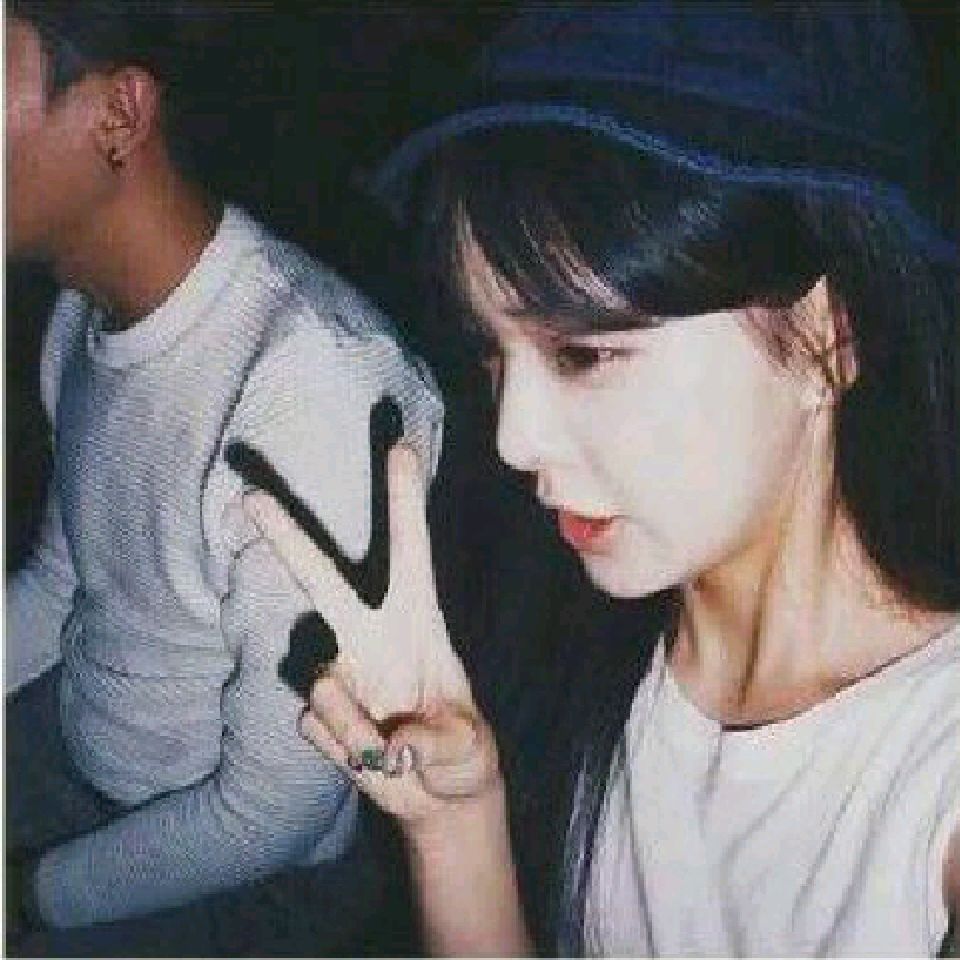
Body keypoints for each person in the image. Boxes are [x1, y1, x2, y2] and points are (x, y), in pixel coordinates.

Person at [240, 2, 959, 955]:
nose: (514, 438)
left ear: (825, 336)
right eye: (493, 354)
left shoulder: (932, 773)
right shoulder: (585, 648)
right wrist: (454, 822)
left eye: (584, 354)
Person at [4, 0, 442, 953]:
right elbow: (63, 585)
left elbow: (272, 809)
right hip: (80, 736)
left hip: (240, 874)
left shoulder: (309, 388)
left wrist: (29, 897)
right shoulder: (82, 318)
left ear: (118, 116)